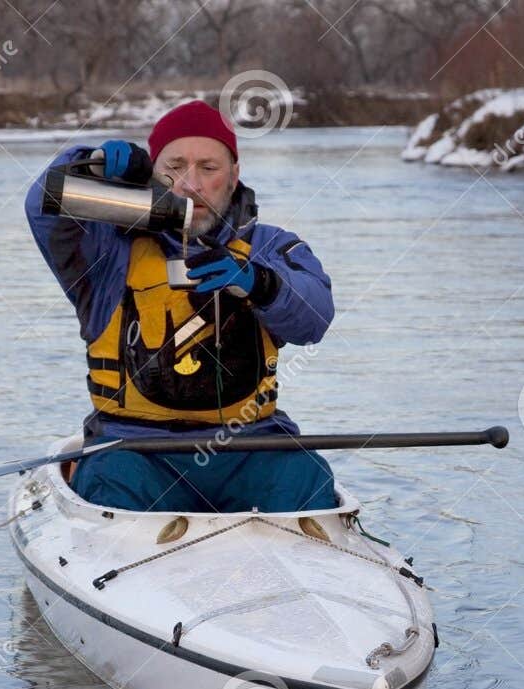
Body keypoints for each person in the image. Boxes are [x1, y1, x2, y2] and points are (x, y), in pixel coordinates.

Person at [25, 99, 337, 513]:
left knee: (306, 476)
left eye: (209, 168)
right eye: (174, 167)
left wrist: (259, 283)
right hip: (135, 451)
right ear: (152, 174)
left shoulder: (272, 247)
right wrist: (90, 162)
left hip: (251, 447)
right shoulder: (105, 250)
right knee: (111, 482)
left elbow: (315, 317)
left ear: (234, 176)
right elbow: (42, 205)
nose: (191, 184)